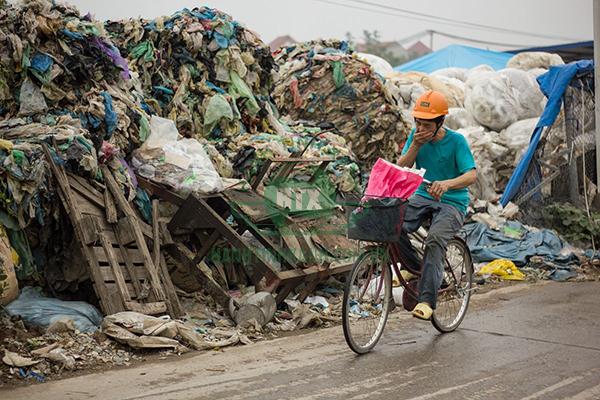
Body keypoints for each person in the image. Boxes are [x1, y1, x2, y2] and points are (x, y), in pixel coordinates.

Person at [397, 90, 477, 321]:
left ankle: (426, 301)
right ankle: (414, 266)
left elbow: (471, 175)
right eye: (418, 123)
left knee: (434, 240)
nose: (420, 128)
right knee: (393, 220)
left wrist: (447, 184)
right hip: (422, 194)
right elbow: (403, 167)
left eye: (426, 124)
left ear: (440, 122)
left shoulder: (456, 141)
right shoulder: (415, 136)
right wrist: (415, 145)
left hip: (453, 201)